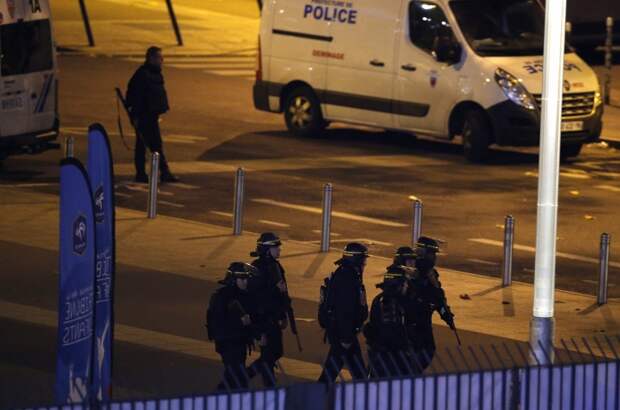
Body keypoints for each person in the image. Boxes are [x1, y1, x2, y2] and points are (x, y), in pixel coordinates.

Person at [126, 46, 179, 183]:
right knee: (149, 145)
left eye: (161, 58)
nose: (161, 60)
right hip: (144, 115)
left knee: (149, 145)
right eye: (159, 58)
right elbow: (136, 97)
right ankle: (158, 172)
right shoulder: (143, 75)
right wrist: (136, 116)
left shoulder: (155, 73)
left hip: (151, 115)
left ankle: (147, 173)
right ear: (151, 58)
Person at [317, 242, 369, 384]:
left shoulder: (348, 274)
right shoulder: (347, 279)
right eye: (363, 260)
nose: (365, 264)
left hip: (345, 334)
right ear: (356, 260)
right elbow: (345, 311)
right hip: (344, 336)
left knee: (351, 374)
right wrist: (346, 338)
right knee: (331, 374)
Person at [246, 232, 291, 387]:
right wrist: (275, 289)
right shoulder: (258, 268)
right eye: (275, 247)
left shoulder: (275, 265)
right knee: (269, 354)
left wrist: (284, 313)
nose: (279, 250)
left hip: (274, 318)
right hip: (263, 318)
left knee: (275, 352)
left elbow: (282, 291)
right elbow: (257, 297)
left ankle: (262, 379)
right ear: (266, 250)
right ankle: (263, 382)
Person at [206, 262, 258, 390]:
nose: (246, 282)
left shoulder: (244, 296)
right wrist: (240, 322)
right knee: (236, 377)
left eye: (246, 279)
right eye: (242, 279)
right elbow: (217, 323)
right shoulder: (221, 298)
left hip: (240, 342)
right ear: (234, 280)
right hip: (228, 343)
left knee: (234, 377)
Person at [406, 237, 456, 373]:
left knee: (427, 351)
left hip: (423, 318)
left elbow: (438, 296)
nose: (434, 257)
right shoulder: (413, 272)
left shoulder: (431, 273)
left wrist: (446, 314)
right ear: (423, 253)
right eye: (431, 253)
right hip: (411, 319)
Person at [364, 265, 413, 378]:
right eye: (404, 283)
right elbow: (392, 331)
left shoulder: (379, 298)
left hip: (379, 353)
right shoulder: (390, 303)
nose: (406, 286)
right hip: (390, 357)